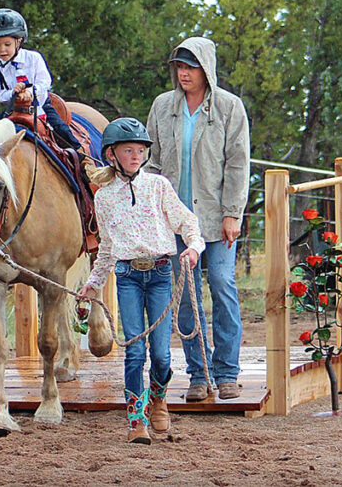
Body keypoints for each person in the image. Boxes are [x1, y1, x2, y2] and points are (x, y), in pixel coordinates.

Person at [78, 117, 204, 444]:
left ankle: (158, 398)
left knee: (161, 354)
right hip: (127, 277)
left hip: (161, 274)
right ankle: (136, 419)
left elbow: (186, 221)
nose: (136, 156)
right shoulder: (104, 197)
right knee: (135, 351)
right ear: (111, 154)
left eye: (140, 150)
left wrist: (193, 246)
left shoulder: (158, 186)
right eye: (128, 150)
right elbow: (107, 248)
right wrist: (93, 283)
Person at [145, 37, 250, 401]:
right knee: (186, 296)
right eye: (179, 66)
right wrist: (151, 209)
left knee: (221, 284)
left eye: (190, 67)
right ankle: (199, 374)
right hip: (175, 219)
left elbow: (238, 164)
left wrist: (232, 213)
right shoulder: (162, 106)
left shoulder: (229, 107)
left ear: (206, 69)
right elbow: (152, 161)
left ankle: (227, 372)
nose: (184, 73)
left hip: (216, 217)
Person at [0, 8, 81, 149]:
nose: (2, 50)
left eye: (7, 44)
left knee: (62, 131)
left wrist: (30, 92)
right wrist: (14, 93)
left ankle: (82, 156)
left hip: (40, 105)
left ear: (18, 41)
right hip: (14, 109)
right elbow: (1, 95)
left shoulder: (33, 58)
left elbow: (45, 81)